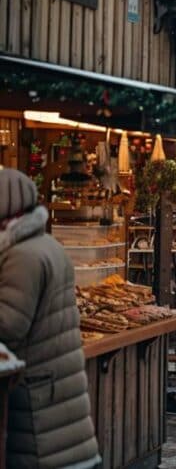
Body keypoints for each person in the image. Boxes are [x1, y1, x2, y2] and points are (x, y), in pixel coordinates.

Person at [0, 169, 101, 468]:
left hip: (37, 406)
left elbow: (8, 327)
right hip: (54, 394)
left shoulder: (23, 257)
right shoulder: (47, 246)